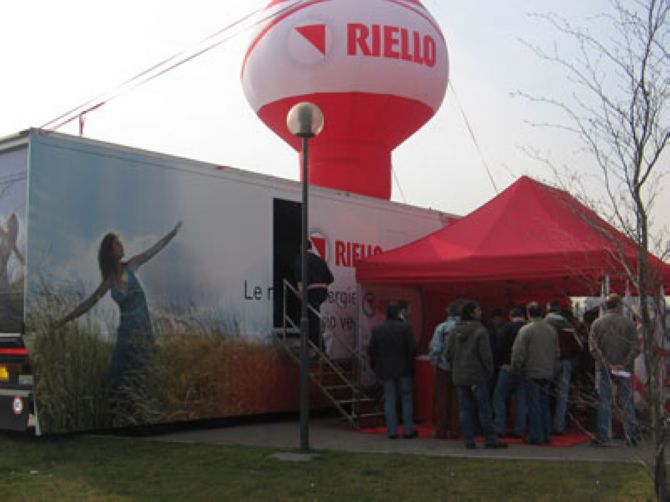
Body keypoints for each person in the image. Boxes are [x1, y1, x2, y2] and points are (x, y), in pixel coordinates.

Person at [53, 222, 182, 410]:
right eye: (117, 244)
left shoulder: (132, 265)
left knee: (146, 371)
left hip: (143, 330)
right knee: (121, 379)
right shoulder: (108, 282)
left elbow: (154, 250)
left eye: (120, 243)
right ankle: (116, 410)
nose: (121, 246)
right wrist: (63, 321)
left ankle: (144, 409)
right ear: (109, 251)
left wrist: (172, 233)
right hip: (126, 334)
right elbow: (89, 303)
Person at [446, 300, 507, 449]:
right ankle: (490, 439)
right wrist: (489, 371)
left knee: (465, 408)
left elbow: (448, 353)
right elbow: (486, 355)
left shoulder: (454, 331)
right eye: (478, 310)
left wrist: (455, 367)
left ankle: (469, 439)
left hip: (460, 374)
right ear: (472, 313)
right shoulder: (480, 331)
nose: (481, 312)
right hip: (477, 375)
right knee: (484, 408)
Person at [589, 293, 640, 446]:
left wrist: (607, 364)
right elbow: (636, 347)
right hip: (624, 368)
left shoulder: (597, 323)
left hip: (604, 368)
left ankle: (603, 435)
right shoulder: (629, 324)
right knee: (627, 401)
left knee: (604, 401)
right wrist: (624, 363)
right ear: (619, 305)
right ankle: (631, 434)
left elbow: (593, 348)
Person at [511, 302, 559, 445]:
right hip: (547, 370)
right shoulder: (551, 330)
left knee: (533, 405)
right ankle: (546, 433)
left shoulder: (525, 330)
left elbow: (518, 353)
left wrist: (516, 368)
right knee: (544, 403)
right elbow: (557, 352)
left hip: (531, 371)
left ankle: (537, 435)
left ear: (528, 314)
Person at [368, 303, 417, 439]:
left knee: (389, 399)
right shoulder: (405, 328)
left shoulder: (377, 330)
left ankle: (392, 431)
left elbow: (371, 350)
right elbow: (412, 349)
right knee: (406, 398)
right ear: (397, 314)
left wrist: (376, 366)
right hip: (404, 369)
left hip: (385, 369)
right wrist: (410, 363)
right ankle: (408, 430)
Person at [545, 299, 583, 435]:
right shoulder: (568, 325)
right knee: (562, 395)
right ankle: (559, 426)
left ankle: (545, 424)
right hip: (566, 362)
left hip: (548, 362)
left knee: (544, 393)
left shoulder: (544, 324)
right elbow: (579, 345)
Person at [427, 299, 462, 439]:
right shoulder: (464, 327)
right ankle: (455, 430)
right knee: (457, 400)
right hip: (460, 368)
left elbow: (435, 348)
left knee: (442, 399)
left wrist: (434, 364)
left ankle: (441, 430)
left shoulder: (441, 328)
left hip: (443, 367)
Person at [492, 306, 527, 437]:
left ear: (510, 316)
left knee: (499, 396)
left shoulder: (506, 328)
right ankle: (520, 428)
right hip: (525, 369)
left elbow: (499, 347)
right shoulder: (527, 328)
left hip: (507, 367)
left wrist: (499, 363)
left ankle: (499, 426)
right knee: (522, 399)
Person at [294, 239, 334, 347]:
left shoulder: (301, 259)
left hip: (311, 291)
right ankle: (317, 342)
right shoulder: (320, 260)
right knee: (314, 314)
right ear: (311, 247)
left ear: (301, 248)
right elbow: (331, 278)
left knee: (309, 316)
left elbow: (300, 278)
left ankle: (314, 342)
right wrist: (321, 283)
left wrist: (301, 293)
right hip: (323, 292)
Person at [0, 213, 25, 293]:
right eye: (10, 225)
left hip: (3, 263)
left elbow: (17, 253)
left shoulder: (10, 239)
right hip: (2, 262)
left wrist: (23, 261)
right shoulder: (7, 236)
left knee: (4, 284)